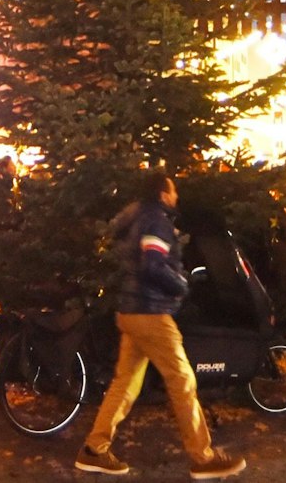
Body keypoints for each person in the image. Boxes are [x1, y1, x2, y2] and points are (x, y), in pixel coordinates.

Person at [74, 172, 244, 478]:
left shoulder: (137, 218)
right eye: (174, 189)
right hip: (151, 313)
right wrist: (180, 284)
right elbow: (153, 265)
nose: (177, 195)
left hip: (131, 311)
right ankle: (203, 458)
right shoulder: (156, 221)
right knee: (182, 381)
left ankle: (94, 449)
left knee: (125, 383)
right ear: (163, 193)